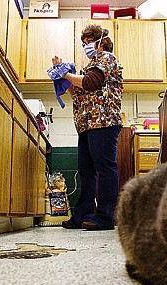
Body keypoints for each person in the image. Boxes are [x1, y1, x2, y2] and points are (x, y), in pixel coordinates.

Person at [52, 25, 123, 231]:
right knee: (86, 170)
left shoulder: (107, 59)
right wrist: (62, 78)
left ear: (101, 41)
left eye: (88, 42)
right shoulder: (90, 66)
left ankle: (106, 215)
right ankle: (83, 214)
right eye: (83, 43)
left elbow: (91, 83)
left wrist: (66, 74)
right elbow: (78, 95)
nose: (86, 46)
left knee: (105, 168)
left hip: (104, 121)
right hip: (87, 124)